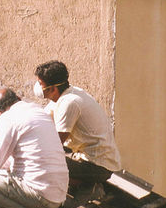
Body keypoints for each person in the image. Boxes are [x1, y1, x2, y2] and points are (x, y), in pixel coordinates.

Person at [33, 60, 121, 188]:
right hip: (92, 159)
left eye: (40, 84)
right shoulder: (66, 94)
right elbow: (42, 118)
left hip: (98, 166)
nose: (38, 86)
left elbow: (56, 144)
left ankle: (85, 187)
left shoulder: (69, 103)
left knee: (38, 163)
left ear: (52, 88)